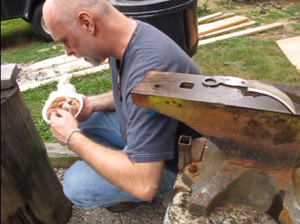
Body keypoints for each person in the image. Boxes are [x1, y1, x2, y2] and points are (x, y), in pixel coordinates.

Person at [43, 0, 203, 212]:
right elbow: (130, 91)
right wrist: (92, 103)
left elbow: (145, 185)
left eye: (66, 40)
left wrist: (71, 137)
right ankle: (125, 166)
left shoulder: (152, 73)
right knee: (86, 118)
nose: (68, 52)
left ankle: (133, 177)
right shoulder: (129, 36)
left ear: (86, 23)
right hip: (162, 133)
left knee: (76, 184)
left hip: (179, 163)